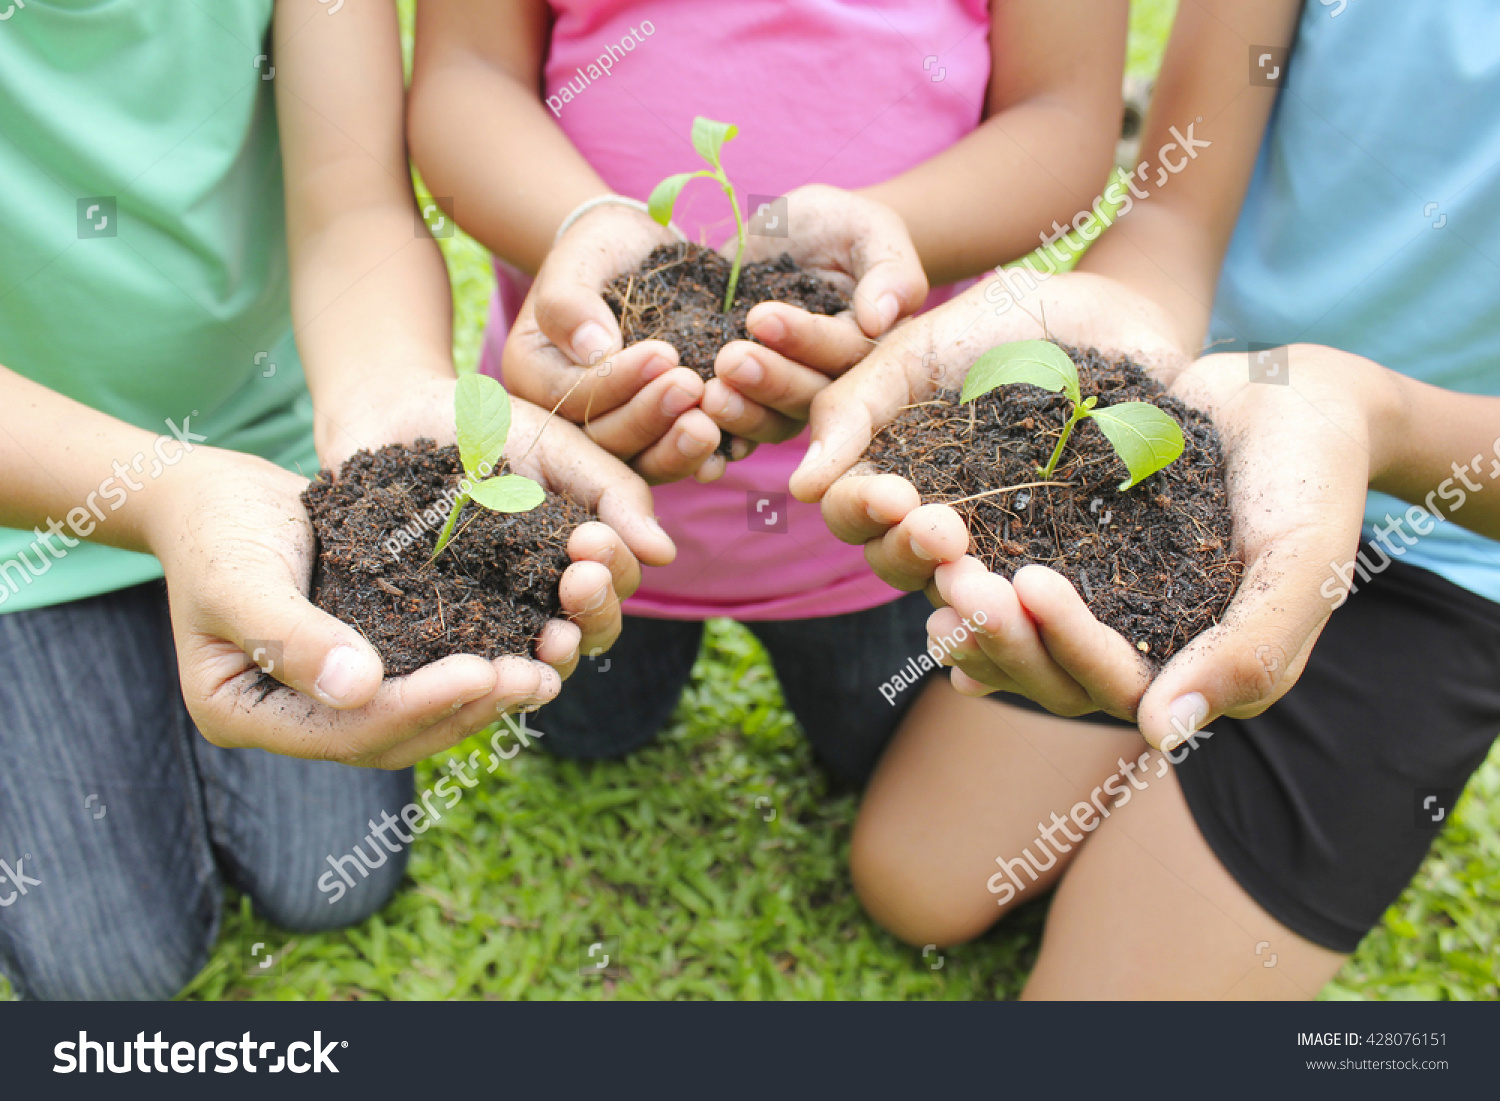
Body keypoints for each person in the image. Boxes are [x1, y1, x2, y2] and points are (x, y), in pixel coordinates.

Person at [792, 0, 1500, 997]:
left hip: (1448, 558)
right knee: (911, 884)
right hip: (1190, 450)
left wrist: (1377, 416)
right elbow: (1171, 214)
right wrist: (1127, 313)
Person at [0, 0, 669, 1000]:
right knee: (112, 971)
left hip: (264, 455)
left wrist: (387, 395)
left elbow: (350, 201)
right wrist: (171, 501)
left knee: (326, 880)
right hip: (29, 507)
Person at [408, 0, 1128, 787]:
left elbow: (1061, 112)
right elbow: (467, 75)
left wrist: (890, 230)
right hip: (592, 488)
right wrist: (582, 223)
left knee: (878, 752)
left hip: (876, 509)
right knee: (582, 732)